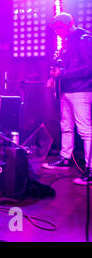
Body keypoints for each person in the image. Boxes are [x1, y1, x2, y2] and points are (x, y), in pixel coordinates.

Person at [43, 12, 92, 186]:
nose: (57, 31)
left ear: (70, 24)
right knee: (66, 126)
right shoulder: (68, 43)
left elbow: (89, 67)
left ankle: (90, 169)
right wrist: (56, 74)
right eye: (55, 29)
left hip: (81, 90)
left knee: (85, 130)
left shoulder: (84, 39)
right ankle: (65, 158)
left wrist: (64, 73)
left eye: (60, 28)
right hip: (68, 90)